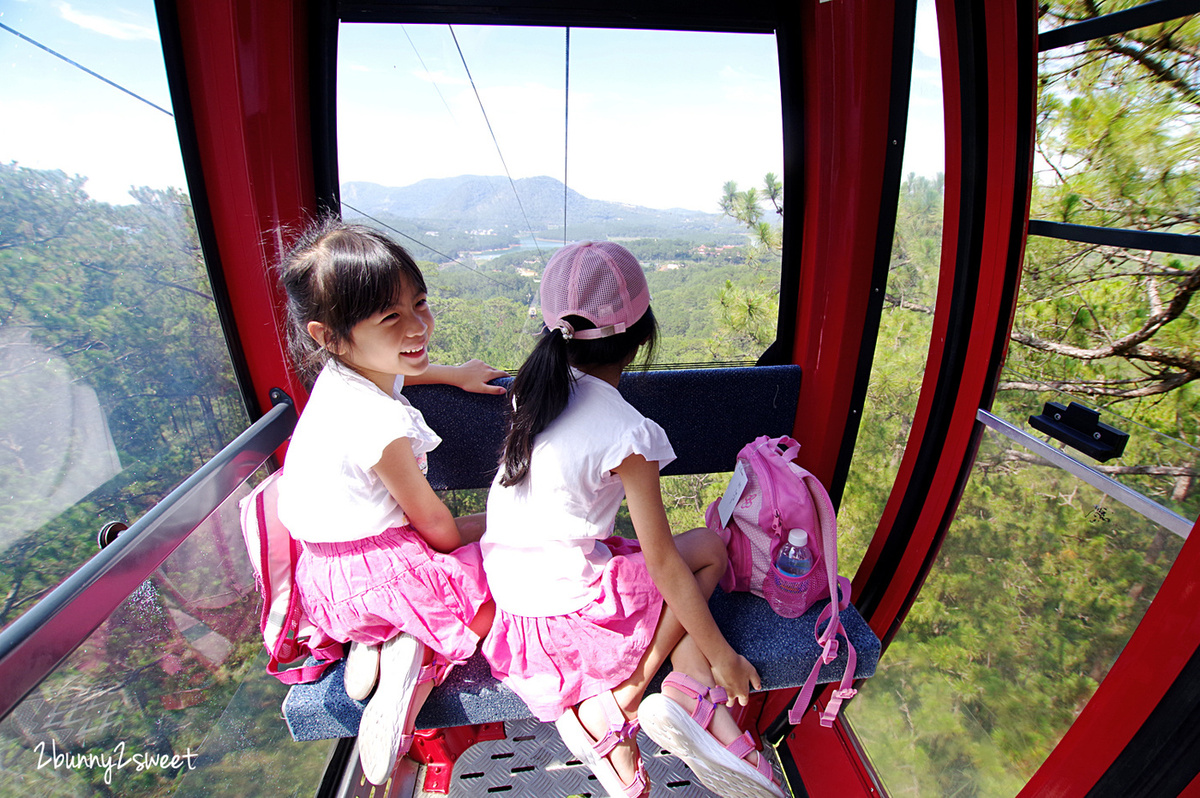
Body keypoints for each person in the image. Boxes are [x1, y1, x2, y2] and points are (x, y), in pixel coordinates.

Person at [481, 241, 783, 798]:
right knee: (707, 550)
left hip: (518, 619)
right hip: (569, 622)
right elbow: (668, 564)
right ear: (643, 333)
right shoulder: (627, 433)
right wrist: (727, 658)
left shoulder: (533, 390)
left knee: (643, 562)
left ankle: (690, 695)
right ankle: (626, 701)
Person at [275, 220, 502, 785]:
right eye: (391, 317)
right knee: (501, 581)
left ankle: (377, 644)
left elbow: (399, 376)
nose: (418, 326)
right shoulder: (379, 425)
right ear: (329, 335)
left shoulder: (344, 375)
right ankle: (412, 668)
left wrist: (455, 374)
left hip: (326, 581)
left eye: (420, 304)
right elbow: (434, 524)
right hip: (383, 568)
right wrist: (495, 524)